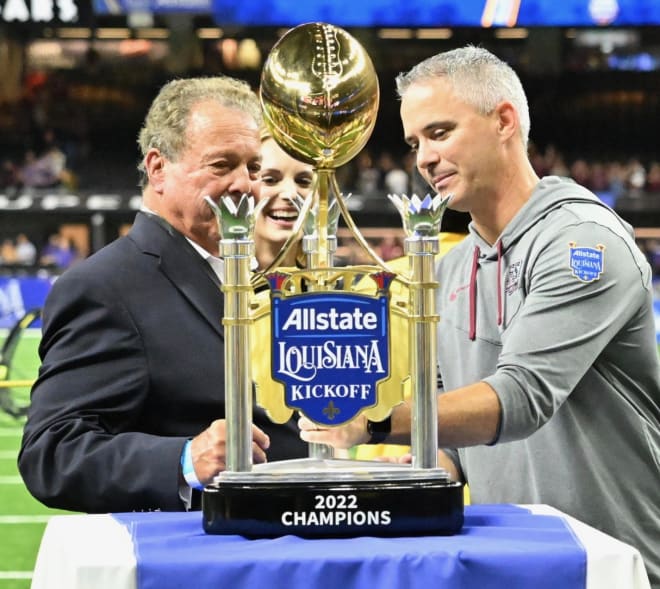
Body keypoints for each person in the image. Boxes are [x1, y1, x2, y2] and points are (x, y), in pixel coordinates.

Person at [299, 46, 660, 586]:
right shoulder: (451, 268)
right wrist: (428, 467)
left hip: (608, 566)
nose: (422, 158)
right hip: (512, 565)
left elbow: (520, 398)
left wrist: (373, 420)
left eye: (439, 133)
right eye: (415, 142)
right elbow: (453, 426)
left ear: (504, 122)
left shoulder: (584, 242)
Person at [18, 76, 307, 514]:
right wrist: (183, 460)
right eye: (221, 165)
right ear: (157, 169)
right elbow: (51, 452)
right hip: (194, 562)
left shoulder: (256, 272)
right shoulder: (104, 286)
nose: (244, 185)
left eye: (251, 167)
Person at [254, 132, 314, 271]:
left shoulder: (334, 283)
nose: (290, 194)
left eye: (303, 181)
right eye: (270, 180)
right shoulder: (216, 279)